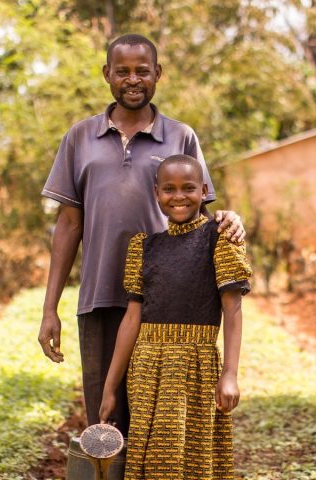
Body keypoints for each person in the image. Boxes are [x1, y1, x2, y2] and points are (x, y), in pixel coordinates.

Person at [39, 33, 246, 434]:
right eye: (123, 71)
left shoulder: (181, 136)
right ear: (107, 75)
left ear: (158, 75)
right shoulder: (79, 138)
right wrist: (50, 309)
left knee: (159, 421)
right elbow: (68, 224)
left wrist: (230, 217)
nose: (133, 80)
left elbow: (197, 209)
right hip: (99, 298)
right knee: (106, 418)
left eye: (142, 71)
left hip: (166, 305)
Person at [98, 154, 251, 479]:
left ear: (204, 190)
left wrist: (230, 374)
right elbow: (131, 320)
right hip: (147, 368)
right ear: (156, 193)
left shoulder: (219, 239)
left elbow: (233, 310)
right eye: (169, 188)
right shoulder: (144, 247)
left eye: (188, 188)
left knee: (192, 458)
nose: (178, 196)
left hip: (194, 368)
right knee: (152, 458)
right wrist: (111, 387)